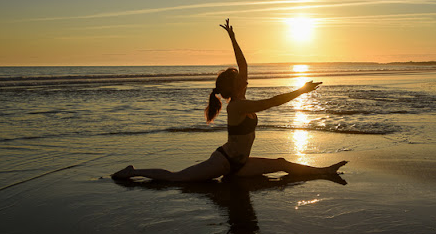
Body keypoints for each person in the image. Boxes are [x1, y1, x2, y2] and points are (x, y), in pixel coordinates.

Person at [111, 19, 347, 182]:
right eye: (239, 79)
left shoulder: (241, 96)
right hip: (223, 163)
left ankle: (324, 171)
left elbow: (243, 65)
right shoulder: (238, 106)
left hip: (241, 166)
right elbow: (272, 102)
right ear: (235, 86)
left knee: (282, 163)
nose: (245, 78)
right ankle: (133, 171)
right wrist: (301, 91)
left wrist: (233, 37)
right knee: (177, 178)